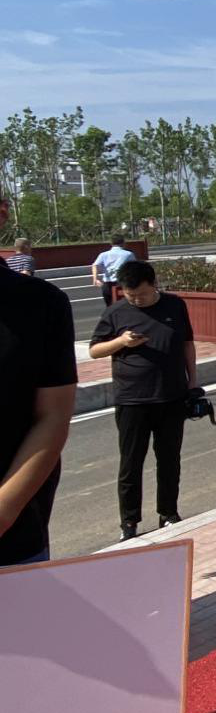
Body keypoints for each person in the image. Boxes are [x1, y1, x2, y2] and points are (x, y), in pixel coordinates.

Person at [89, 260, 197, 541]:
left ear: (154, 285)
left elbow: (187, 343)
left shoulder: (175, 305)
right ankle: (129, 522)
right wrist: (121, 342)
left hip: (171, 396)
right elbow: (94, 350)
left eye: (142, 295)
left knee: (169, 459)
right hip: (132, 399)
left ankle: (168, 513)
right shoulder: (115, 312)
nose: (137, 300)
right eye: (131, 295)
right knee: (131, 463)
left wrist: (192, 381)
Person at [0, 191, 76, 567]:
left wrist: (3, 510)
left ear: (2, 213)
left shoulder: (41, 304)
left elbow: (53, 416)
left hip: (12, 540)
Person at [91, 234, 135, 307]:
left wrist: (95, 279)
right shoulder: (129, 254)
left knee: (109, 307)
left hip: (107, 284)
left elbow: (95, 265)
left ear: (111, 243)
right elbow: (134, 267)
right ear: (123, 242)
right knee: (123, 306)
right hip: (121, 284)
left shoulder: (103, 254)